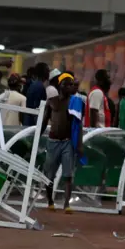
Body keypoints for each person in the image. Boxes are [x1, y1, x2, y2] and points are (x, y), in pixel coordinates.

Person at [39, 73, 81, 214]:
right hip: (53, 141)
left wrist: (79, 144)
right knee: (49, 174)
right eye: (66, 84)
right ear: (60, 86)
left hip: (67, 142)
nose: (69, 87)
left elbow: (78, 125)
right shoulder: (52, 102)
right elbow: (44, 120)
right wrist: (38, 136)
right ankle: (50, 201)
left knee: (68, 174)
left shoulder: (74, 102)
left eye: (71, 84)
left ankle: (66, 204)